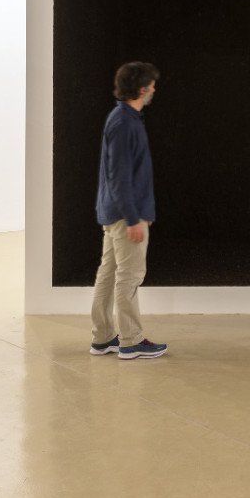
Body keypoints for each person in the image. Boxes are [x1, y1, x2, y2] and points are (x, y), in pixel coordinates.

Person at [89, 61, 168, 360]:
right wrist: (133, 218)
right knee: (129, 276)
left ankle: (103, 338)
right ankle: (131, 341)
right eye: (152, 85)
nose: (154, 90)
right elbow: (119, 177)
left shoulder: (123, 119)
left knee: (109, 275)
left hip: (114, 212)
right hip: (125, 216)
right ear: (142, 89)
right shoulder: (124, 124)